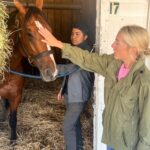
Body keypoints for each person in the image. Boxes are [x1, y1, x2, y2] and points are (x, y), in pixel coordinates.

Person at [37, 24, 150, 150]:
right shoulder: (112, 64)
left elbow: (147, 132)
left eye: (117, 42)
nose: (112, 45)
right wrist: (59, 44)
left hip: (128, 146)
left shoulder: (144, 82)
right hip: (111, 139)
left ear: (133, 50)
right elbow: (87, 59)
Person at [57, 22, 94, 150]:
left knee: (67, 127)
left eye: (77, 34)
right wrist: (62, 90)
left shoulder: (86, 51)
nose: (73, 36)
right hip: (70, 94)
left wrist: (53, 68)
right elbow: (68, 75)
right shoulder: (73, 51)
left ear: (85, 37)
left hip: (78, 96)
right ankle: (79, 146)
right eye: (72, 34)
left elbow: (72, 68)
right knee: (75, 123)